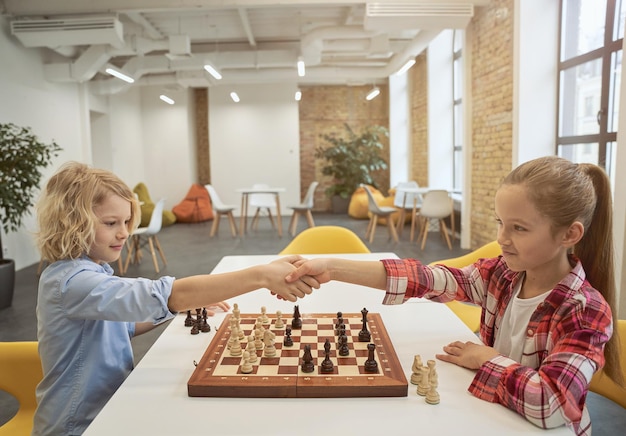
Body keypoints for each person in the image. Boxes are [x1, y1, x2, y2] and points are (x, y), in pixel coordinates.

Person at [286, 156, 623, 436]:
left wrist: (484, 358)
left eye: (518, 228)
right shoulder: (503, 275)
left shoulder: (585, 311)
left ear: (570, 234)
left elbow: (551, 403)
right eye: (500, 223)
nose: (502, 238)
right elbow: (431, 279)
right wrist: (333, 267)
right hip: (496, 416)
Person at [33, 161, 315, 435]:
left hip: (111, 409)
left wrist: (185, 306)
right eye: (110, 223)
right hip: (79, 426)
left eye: (127, 221)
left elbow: (125, 325)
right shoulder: (71, 283)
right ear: (73, 223)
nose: (124, 232)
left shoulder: (92, 271)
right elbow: (163, 295)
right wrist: (261, 276)